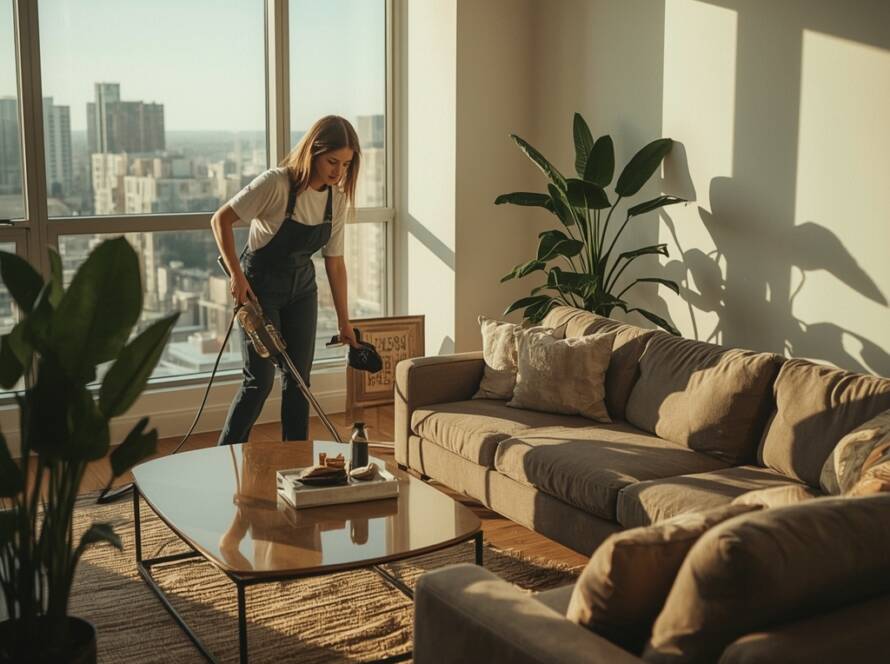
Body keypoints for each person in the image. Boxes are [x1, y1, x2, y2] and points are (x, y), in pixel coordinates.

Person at [212, 115, 361, 444]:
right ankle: (221, 458)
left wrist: (344, 321)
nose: (337, 172)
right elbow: (220, 220)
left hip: (302, 290)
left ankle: (296, 464)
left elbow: (334, 263)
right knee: (259, 381)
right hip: (259, 288)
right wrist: (237, 277)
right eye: (332, 161)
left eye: (346, 165)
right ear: (313, 152)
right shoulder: (276, 183)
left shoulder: (336, 200)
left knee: (298, 380)